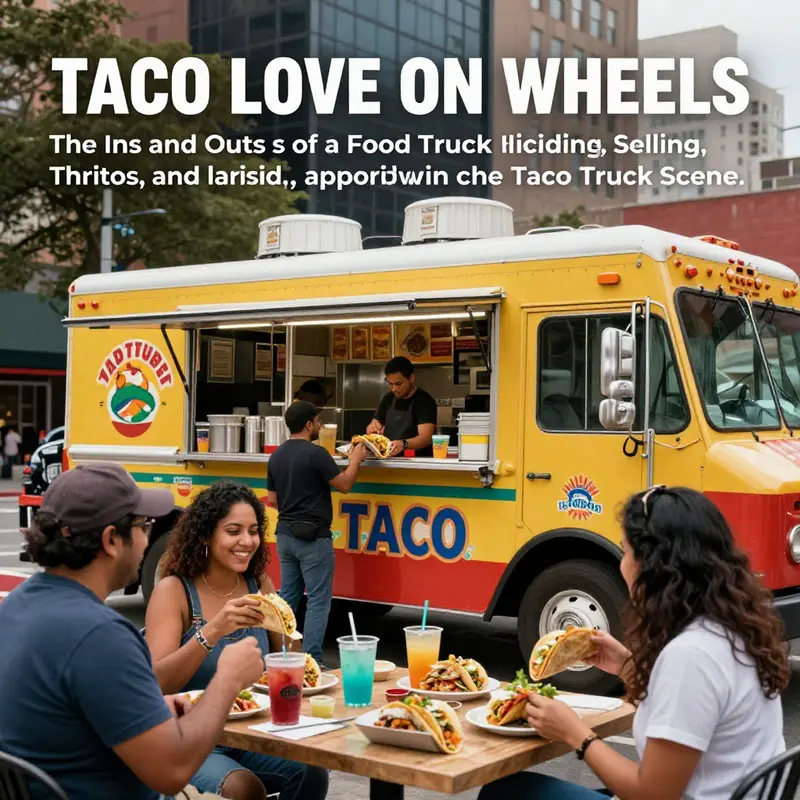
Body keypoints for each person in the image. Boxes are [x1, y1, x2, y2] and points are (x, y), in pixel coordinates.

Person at [479, 486, 790, 800]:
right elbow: (696, 713)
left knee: (504, 793)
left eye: (625, 551)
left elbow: (653, 793)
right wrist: (628, 668)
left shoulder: (691, 655)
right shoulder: (732, 628)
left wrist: (575, 733)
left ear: (652, 567)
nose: (621, 564)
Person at [0, 463, 266, 800]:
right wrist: (228, 681)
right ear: (112, 540)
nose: (148, 538)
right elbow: (172, 772)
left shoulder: (16, 605)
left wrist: (150, 705)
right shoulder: (100, 635)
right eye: (144, 526)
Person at [145, 482, 328, 800]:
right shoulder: (174, 591)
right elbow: (155, 682)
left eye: (254, 531)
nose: (247, 541)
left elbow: (291, 664)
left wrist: (285, 629)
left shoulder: (258, 584)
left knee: (311, 771)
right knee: (244, 788)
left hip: (251, 734)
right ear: (205, 535)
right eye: (233, 531)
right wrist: (213, 631)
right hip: (189, 740)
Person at [267, 401, 367, 666]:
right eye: (319, 421)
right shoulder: (317, 454)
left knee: (288, 598)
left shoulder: (276, 456)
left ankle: (282, 656)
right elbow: (344, 485)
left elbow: (272, 499)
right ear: (309, 424)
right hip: (314, 538)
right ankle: (312, 660)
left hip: (285, 536)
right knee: (318, 600)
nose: (321, 425)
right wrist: (355, 460)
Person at [366, 356, 437, 457]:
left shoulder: (424, 401)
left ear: (411, 378)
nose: (394, 389)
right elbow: (375, 423)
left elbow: (426, 438)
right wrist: (372, 428)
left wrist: (403, 444)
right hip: (389, 459)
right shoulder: (388, 398)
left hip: (416, 460)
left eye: (398, 384)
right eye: (390, 384)